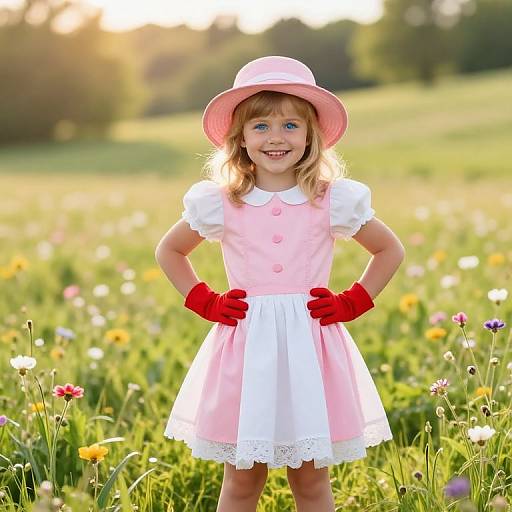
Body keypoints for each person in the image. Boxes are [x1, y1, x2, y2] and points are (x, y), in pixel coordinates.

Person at [155, 55, 405, 512]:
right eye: (261, 127)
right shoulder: (222, 202)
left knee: (310, 482)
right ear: (241, 139)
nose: (276, 138)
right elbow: (168, 251)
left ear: (311, 135)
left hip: (310, 348)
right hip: (247, 348)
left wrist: (352, 302)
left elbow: (389, 250)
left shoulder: (331, 199)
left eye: (291, 125)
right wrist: (205, 302)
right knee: (241, 482)